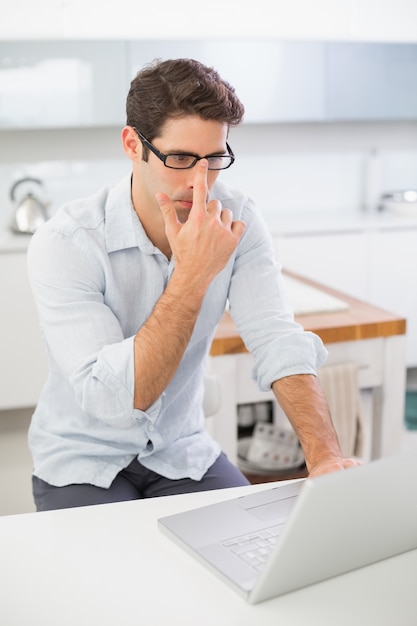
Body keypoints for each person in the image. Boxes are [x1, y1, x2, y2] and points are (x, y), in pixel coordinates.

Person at [27, 58, 360, 512]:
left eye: (214, 159)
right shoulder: (68, 242)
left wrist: (324, 458)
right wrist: (192, 274)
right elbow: (114, 402)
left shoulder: (238, 219)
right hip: (82, 456)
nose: (199, 182)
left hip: (180, 450)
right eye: (180, 158)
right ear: (132, 144)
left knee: (249, 555)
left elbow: (276, 338)